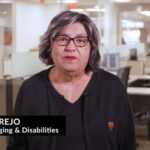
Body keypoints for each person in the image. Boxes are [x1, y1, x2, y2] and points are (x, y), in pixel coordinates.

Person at [7, 10, 136, 150]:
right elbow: (17, 146)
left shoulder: (112, 87)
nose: (71, 47)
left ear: (91, 48)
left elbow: (127, 144)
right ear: (50, 46)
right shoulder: (30, 89)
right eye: (62, 39)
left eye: (80, 40)